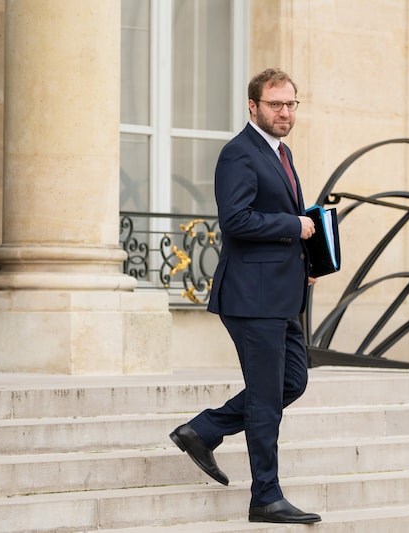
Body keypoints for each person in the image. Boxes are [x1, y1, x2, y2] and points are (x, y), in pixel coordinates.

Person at [169, 68, 321, 524]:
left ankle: (203, 430)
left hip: (281, 293)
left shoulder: (282, 152)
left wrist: (309, 261)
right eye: (276, 104)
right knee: (266, 396)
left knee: (290, 383)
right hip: (251, 297)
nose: (285, 112)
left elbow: (278, 215)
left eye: (291, 104)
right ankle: (266, 496)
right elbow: (236, 220)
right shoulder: (238, 153)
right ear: (252, 106)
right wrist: (294, 226)